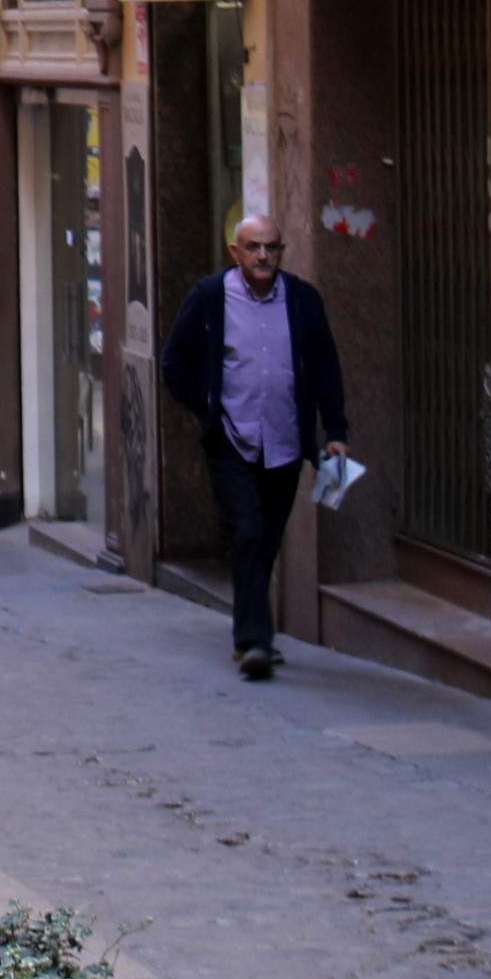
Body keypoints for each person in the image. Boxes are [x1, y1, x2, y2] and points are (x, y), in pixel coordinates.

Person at [160, 216, 351, 681]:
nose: (262, 256)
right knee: (246, 531)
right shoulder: (210, 297)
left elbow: (326, 369)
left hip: (286, 442)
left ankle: (254, 629)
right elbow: (174, 363)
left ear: (281, 251)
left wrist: (336, 432)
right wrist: (207, 411)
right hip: (233, 439)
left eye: (271, 247)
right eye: (253, 248)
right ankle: (253, 641)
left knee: (265, 538)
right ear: (234, 252)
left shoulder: (303, 301)